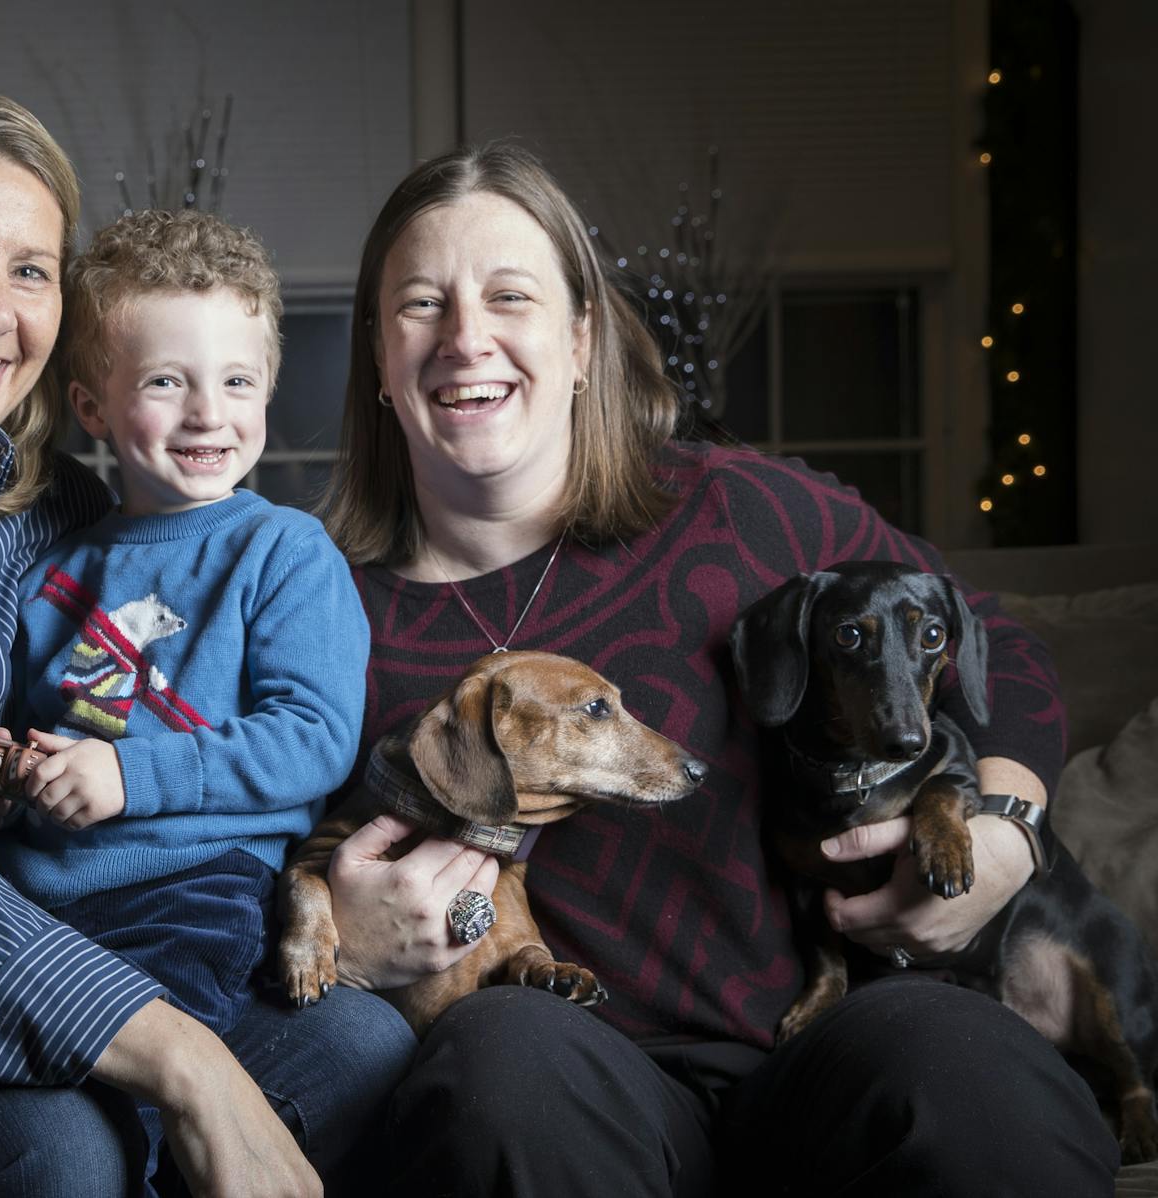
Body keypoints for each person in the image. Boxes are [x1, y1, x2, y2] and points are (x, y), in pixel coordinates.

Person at [316, 141, 1120, 1195]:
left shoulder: (741, 510)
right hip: (563, 1077)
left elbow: (988, 644)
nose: (466, 339)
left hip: (826, 1036)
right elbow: (213, 864)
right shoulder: (312, 605)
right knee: (502, 1060)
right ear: (377, 356)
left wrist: (1004, 833)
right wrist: (342, 937)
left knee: (964, 1065)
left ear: (579, 337)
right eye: (420, 304)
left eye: (509, 296)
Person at [0, 84, 413, 1198]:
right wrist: (173, 1050)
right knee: (56, 1143)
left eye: (32, 270)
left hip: (27, 986)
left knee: (358, 1046)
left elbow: (193, 730)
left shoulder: (59, 524)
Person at [0, 208, 370, 1177]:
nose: (206, 413)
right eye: (165, 382)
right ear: (94, 408)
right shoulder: (55, 568)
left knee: (116, 1100)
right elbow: (30, 724)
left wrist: (130, 776)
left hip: (190, 886)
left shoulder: (281, 552)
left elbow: (312, 738)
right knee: (3, 1084)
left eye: (235, 381)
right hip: (33, 891)